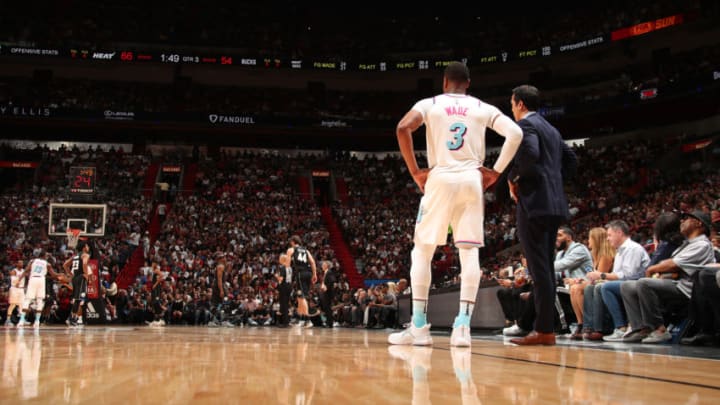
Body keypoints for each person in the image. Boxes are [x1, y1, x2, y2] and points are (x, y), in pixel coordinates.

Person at [388, 61, 523, 347]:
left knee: (423, 251)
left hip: (440, 177)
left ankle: (420, 326)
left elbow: (402, 127)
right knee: (469, 251)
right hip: (472, 179)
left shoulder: (430, 103)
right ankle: (462, 327)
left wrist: (415, 171)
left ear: (444, 82)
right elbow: (516, 134)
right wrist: (496, 171)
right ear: (468, 83)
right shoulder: (481, 107)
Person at [506, 85, 578, 346]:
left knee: (539, 270)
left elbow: (531, 154)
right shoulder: (552, 129)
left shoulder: (526, 126)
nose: (512, 109)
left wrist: (514, 178)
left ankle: (544, 330)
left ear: (521, 104)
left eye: (512, 104)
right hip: (555, 203)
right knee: (545, 267)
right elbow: (572, 161)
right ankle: (544, 328)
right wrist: (554, 183)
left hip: (534, 204)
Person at [621, 210, 716, 343]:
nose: (681, 221)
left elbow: (672, 264)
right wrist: (663, 271)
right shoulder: (686, 244)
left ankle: (659, 330)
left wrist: (653, 269)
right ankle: (640, 328)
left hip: (688, 290)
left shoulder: (702, 244)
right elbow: (671, 267)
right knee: (627, 286)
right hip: (676, 283)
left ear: (698, 223)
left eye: (686, 218)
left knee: (644, 283)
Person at [581, 220, 649, 341]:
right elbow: (616, 274)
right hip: (626, 282)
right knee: (594, 287)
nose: (607, 238)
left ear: (619, 233)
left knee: (605, 287)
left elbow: (629, 274)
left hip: (637, 283)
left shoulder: (632, 248)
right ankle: (596, 328)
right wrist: (602, 278)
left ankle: (620, 327)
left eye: (609, 235)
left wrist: (602, 276)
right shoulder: (620, 251)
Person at [567, 227, 615, 340]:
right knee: (574, 287)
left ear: (596, 239)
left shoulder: (606, 255)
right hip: (599, 283)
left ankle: (588, 324)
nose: (588, 241)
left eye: (590, 238)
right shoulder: (596, 256)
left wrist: (582, 281)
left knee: (577, 288)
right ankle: (581, 323)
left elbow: (598, 278)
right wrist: (580, 280)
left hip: (606, 283)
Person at [286, 235, 317, 327]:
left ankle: (308, 320)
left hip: (300, 274)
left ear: (293, 242)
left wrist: (288, 278)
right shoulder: (306, 250)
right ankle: (300, 319)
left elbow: (287, 265)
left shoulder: (291, 250)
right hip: (308, 273)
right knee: (300, 297)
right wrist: (315, 274)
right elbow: (312, 262)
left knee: (302, 297)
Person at [21, 251, 59, 327]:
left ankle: (21, 321)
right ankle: (37, 321)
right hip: (41, 280)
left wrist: (19, 279)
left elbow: (26, 270)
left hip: (32, 279)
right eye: (47, 256)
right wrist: (61, 276)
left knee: (27, 300)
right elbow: (54, 275)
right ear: (44, 256)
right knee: (40, 300)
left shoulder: (32, 261)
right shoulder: (47, 264)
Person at [64, 242, 91, 327]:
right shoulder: (85, 255)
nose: (88, 247)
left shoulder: (75, 256)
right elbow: (84, 264)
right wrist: (86, 275)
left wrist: (70, 274)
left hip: (75, 278)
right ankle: (72, 318)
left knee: (78, 299)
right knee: (78, 299)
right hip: (80, 277)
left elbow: (65, 265)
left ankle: (72, 318)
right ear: (84, 247)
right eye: (87, 245)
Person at [5, 260, 26, 327]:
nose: (21, 264)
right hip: (14, 289)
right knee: (13, 305)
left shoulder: (23, 271)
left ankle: (22, 320)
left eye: (22, 263)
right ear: (17, 264)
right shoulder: (13, 271)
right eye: (20, 263)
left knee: (22, 305)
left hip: (21, 289)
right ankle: (8, 320)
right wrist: (20, 279)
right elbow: (14, 281)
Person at [275, 253, 293, 327]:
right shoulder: (290, 268)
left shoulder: (282, 267)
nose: (279, 259)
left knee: (284, 304)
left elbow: (281, 279)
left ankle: (285, 323)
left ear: (282, 259)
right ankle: (283, 321)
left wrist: (276, 276)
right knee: (285, 304)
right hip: (289, 286)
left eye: (280, 258)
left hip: (284, 287)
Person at [319, 260, 336, 327]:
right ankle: (328, 322)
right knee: (326, 308)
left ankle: (330, 323)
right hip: (325, 293)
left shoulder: (329, 272)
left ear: (327, 266)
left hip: (328, 293)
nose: (322, 266)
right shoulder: (326, 273)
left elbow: (332, 281)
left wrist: (326, 288)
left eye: (324, 265)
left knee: (328, 308)